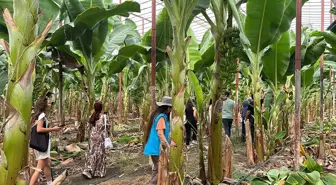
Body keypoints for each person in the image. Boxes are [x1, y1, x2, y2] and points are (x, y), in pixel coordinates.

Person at [29, 97, 62, 185]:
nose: (50, 104)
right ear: (43, 105)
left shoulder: (38, 115)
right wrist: (53, 129)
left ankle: (50, 183)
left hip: (41, 144)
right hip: (42, 145)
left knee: (46, 164)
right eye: (48, 103)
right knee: (39, 168)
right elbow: (39, 129)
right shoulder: (42, 115)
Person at [144, 96, 175, 185]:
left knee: (157, 168)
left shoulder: (160, 116)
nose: (171, 110)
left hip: (154, 147)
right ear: (168, 108)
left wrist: (170, 141)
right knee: (161, 168)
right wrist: (168, 147)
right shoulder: (161, 117)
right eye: (170, 108)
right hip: (156, 148)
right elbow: (160, 133)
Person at [82, 101, 107, 179]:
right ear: (101, 108)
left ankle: (89, 170)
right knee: (100, 155)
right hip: (101, 138)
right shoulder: (104, 116)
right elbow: (107, 126)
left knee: (92, 154)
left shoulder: (92, 116)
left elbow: (88, 127)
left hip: (93, 138)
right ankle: (99, 172)